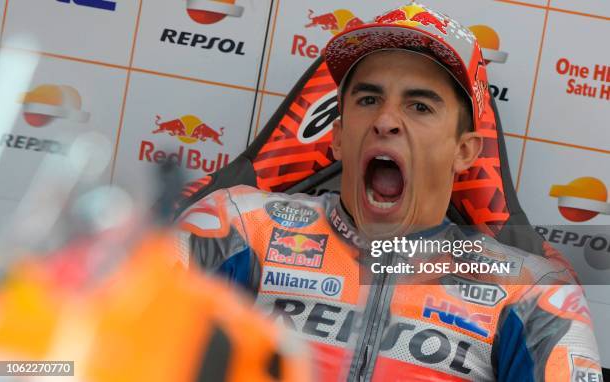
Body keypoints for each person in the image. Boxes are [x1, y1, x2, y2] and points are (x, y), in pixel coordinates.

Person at [177, 2, 601, 381]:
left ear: (465, 150)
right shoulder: (238, 225)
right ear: (339, 137)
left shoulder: (534, 290)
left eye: (419, 106)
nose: (386, 121)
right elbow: (127, 340)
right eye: (367, 100)